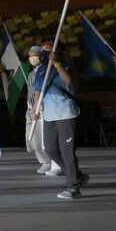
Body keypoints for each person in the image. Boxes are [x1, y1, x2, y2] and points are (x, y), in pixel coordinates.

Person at [33, 48, 89, 199]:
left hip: (66, 113)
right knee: (51, 149)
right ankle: (76, 175)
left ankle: (73, 186)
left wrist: (56, 64)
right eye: (43, 49)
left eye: (49, 49)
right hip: (49, 115)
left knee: (67, 151)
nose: (45, 52)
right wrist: (35, 109)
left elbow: (68, 82)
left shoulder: (66, 66)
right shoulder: (41, 71)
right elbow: (38, 92)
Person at [25, 45, 57, 175]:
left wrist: (36, 108)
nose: (32, 58)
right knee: (32, 138)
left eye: (35, 55)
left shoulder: (47, 70)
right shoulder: (31, 74)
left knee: (44, 138)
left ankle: (51, 162)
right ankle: (44, 160)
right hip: (31, 108)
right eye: (30, 56)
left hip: (42, 108)